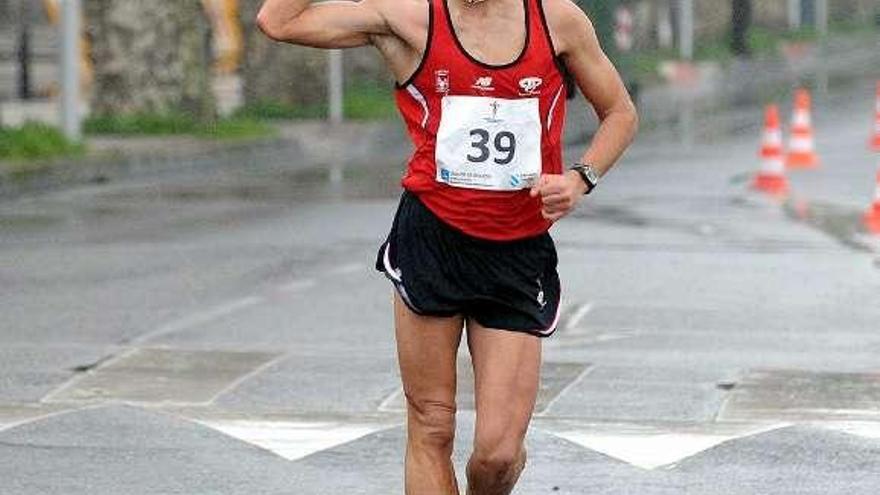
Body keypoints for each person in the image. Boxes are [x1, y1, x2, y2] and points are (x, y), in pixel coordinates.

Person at [256, 0, 638, 493]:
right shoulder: (409, 16)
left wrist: (580, 179)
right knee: (432, 425)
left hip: (516, 253)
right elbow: (277, 21)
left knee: (497, 455)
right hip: (431, 240)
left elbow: (620, 112)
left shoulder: (557, 19)